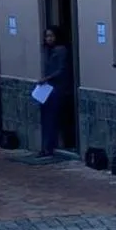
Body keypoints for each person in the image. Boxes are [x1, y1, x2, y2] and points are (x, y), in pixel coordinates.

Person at [38, 28, 70, 157]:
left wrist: (47, 78)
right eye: (47, 36)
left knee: (52, 117)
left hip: (57, 88)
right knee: (46, 117)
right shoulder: (48, 51)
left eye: (51, 36)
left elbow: (62, 69)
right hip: (48, 87)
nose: (49, 39)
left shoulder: (60, 50)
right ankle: (47, 146)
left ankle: (50, 146)